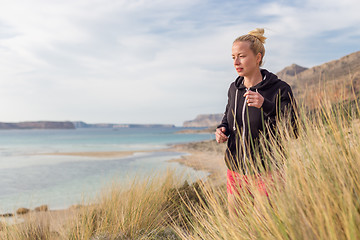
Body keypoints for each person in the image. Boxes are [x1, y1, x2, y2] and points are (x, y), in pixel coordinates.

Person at [215, 28, 296, 216]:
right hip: (235, 169)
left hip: (267, 170)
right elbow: (228, 118)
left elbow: (293, 129)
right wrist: (222, 129)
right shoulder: (234, 89)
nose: (236, 62)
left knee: (262, 226)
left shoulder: (280, 89)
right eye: (233, 57)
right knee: (236, 226)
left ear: (258, 57)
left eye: (241, 56)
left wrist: (266, 105)